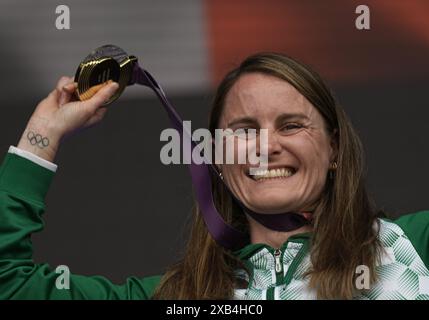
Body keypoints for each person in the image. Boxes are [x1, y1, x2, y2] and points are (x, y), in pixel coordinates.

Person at [0, 53, 428, 300]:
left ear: (334, 149)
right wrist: (45, 132)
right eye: (243, 131)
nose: (266, 145)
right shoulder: (180, 298)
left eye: (291, 125)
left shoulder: (411, 246)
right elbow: (9, 286)